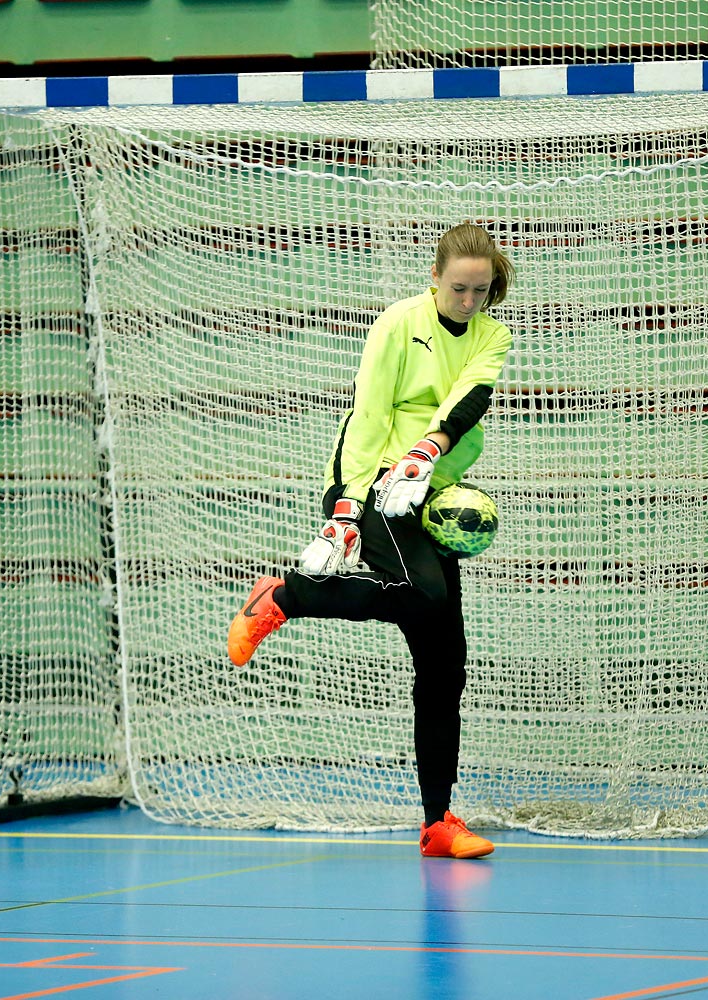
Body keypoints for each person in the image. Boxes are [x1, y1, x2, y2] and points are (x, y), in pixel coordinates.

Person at [227, 222, 514, 860]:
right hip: (377, 480)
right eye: (459, 289)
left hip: (429, 487)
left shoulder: (492, 334)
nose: (469, 302)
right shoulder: (397, 323)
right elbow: (368, 413)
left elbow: (468, 401)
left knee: (444, 664)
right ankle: (288, 596)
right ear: (434, 279)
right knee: (424, 593)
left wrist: (428, 453)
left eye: (481, 291)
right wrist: (349, 506)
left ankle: (439, 821)